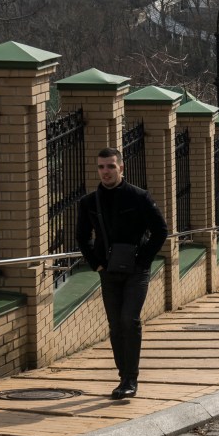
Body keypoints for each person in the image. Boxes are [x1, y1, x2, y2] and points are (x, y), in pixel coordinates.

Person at [76, 147, 168, 400]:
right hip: (109, 270)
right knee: (115, 324)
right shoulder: (88, 202)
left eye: (111, 166)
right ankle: (122, 374)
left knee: (129, 319)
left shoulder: (139, 197)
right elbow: (81, 237)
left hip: (136, 271)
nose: (105, 171)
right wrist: (96, 264)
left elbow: (160, 230)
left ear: (121, 168)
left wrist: (143, 259)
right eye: (101, 167)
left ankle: (131, 378)